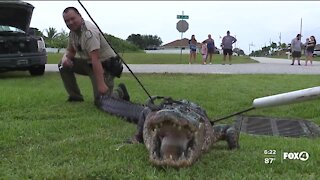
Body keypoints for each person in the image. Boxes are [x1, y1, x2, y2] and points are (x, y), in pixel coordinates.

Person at [58, 7, 129, 106]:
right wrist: (65, 58)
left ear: (80, 16)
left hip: (104, 66)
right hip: (88, 64)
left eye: (72, 19)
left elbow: (96, 59)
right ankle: (75, 97)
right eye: (66, 21)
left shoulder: (89, 32)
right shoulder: (73, 33)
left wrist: (101, 85)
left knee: (102, 102)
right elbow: (70, 50)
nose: (70, 22)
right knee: (62, 65)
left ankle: (120, 91)